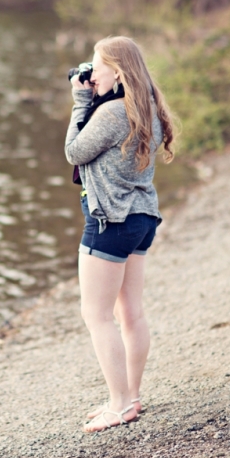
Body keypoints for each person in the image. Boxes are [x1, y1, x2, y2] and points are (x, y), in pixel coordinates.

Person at [64, 35, 175, 432]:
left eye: (98, 66)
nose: (92, 74)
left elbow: (75, 153)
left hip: (110, 221)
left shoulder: (110, 113)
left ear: (118, 70)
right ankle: (131, 396)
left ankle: (118, 404)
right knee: (130, 312)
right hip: (141, 219)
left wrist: (80, 102)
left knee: (96, 315)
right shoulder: (148, 107)